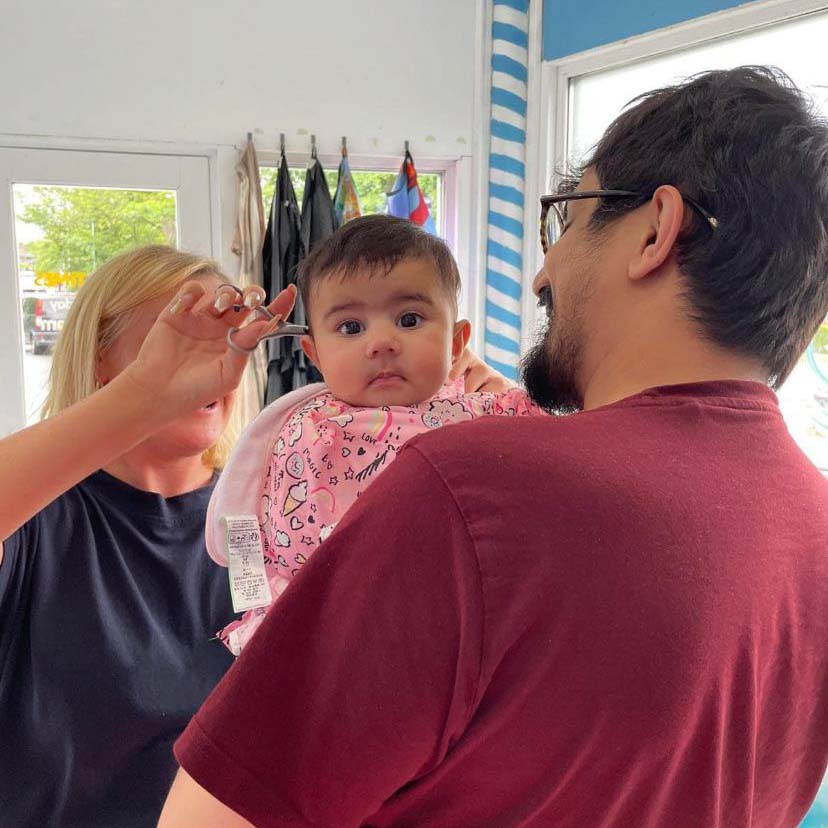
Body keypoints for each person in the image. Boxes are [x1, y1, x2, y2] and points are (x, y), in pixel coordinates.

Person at [161, 66, 828, 827]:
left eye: (564, 222)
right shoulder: (814, 521)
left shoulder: (476, 490)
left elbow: (211, 818)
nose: (542, 271)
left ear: (653, 230)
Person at [0, 245, 297, 827]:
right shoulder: (38, 519)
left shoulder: (265, 514)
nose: (216, 364)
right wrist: (147, 395)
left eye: (233, 342)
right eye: (180, 346)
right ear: (103, 365)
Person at [214, 215, 540, 655]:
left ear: (457, 341)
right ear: (314, 353)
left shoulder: (492, 414)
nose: (382, 342)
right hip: (335, 636)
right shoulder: (310, 428)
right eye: (351, 328)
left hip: (462, 632)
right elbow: (288, 546)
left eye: (409, 319)